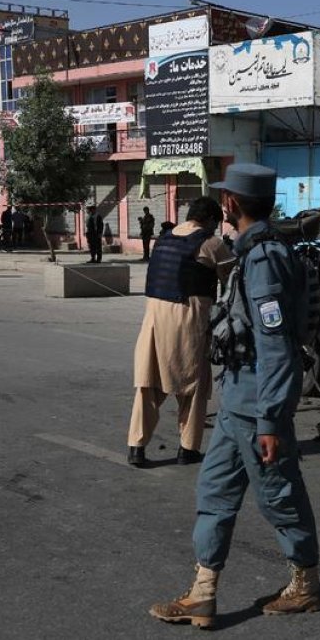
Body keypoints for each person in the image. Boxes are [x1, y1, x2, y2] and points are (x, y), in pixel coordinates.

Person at [149, 163, 320, 628]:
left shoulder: (263, 259)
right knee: (214, 490)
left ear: (230, 204)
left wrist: (270, 420)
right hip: (235, 400)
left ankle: (305, 582)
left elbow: (277, 346)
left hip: (256, 402)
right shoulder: (253, 250)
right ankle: (202, 594)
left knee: (279, 496)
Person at [128, 196, 234, 469]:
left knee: (148, 385)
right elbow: (233, 283)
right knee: (194, 386)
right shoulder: (212, 244)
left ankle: (136, 448)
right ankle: (188, 449)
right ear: (210, 220)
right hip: (188, 318)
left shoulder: (164, 237)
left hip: (153, 318)